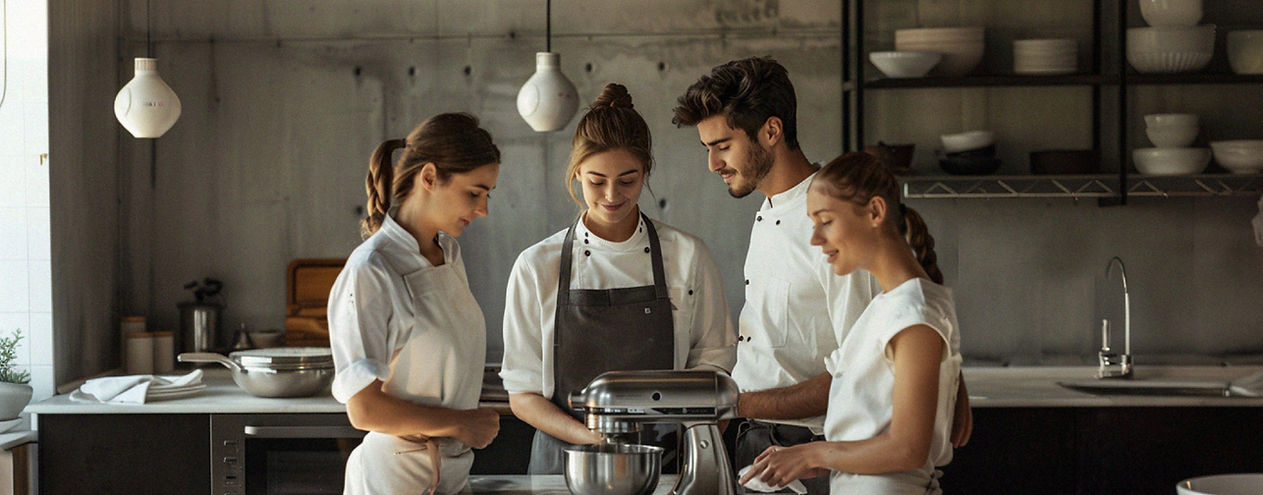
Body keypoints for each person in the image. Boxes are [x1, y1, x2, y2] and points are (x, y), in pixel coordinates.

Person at [672, 56, 971, 494]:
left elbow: (859, 376)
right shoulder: (769, 212)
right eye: (708, 149)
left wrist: (733, 403)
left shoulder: (843, 236)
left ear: (771, 131)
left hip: (809, 449)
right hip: (763, 447)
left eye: (722, 146)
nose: (713, 164)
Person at [500, 83, 737, 474]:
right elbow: (523, 395)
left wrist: (691, 452)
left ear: (646, 171)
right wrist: (600, 443)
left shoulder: (688, 256)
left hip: (664, 467)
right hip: (563, 472)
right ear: (577, 172)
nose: (611, 194)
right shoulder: (536, 266)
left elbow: (713, 372)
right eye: (596, 181)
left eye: (627, 180)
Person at [739, 151, 963, 493]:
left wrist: (812, 454)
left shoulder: (914, 314)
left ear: (875, 212)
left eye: (825, 221)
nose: (815, 239)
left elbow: (908, 448)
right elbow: (876, 430)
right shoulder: (888, 308)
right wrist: (808, 459)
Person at [328, 113, 503, 495]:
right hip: (394, 479)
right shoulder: (372, 268)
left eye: (488, 194)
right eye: (474, 193)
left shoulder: (450, 255)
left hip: (451, 476)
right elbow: (364, 410)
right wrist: (460, 423)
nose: (483, 209)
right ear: (428, 178)